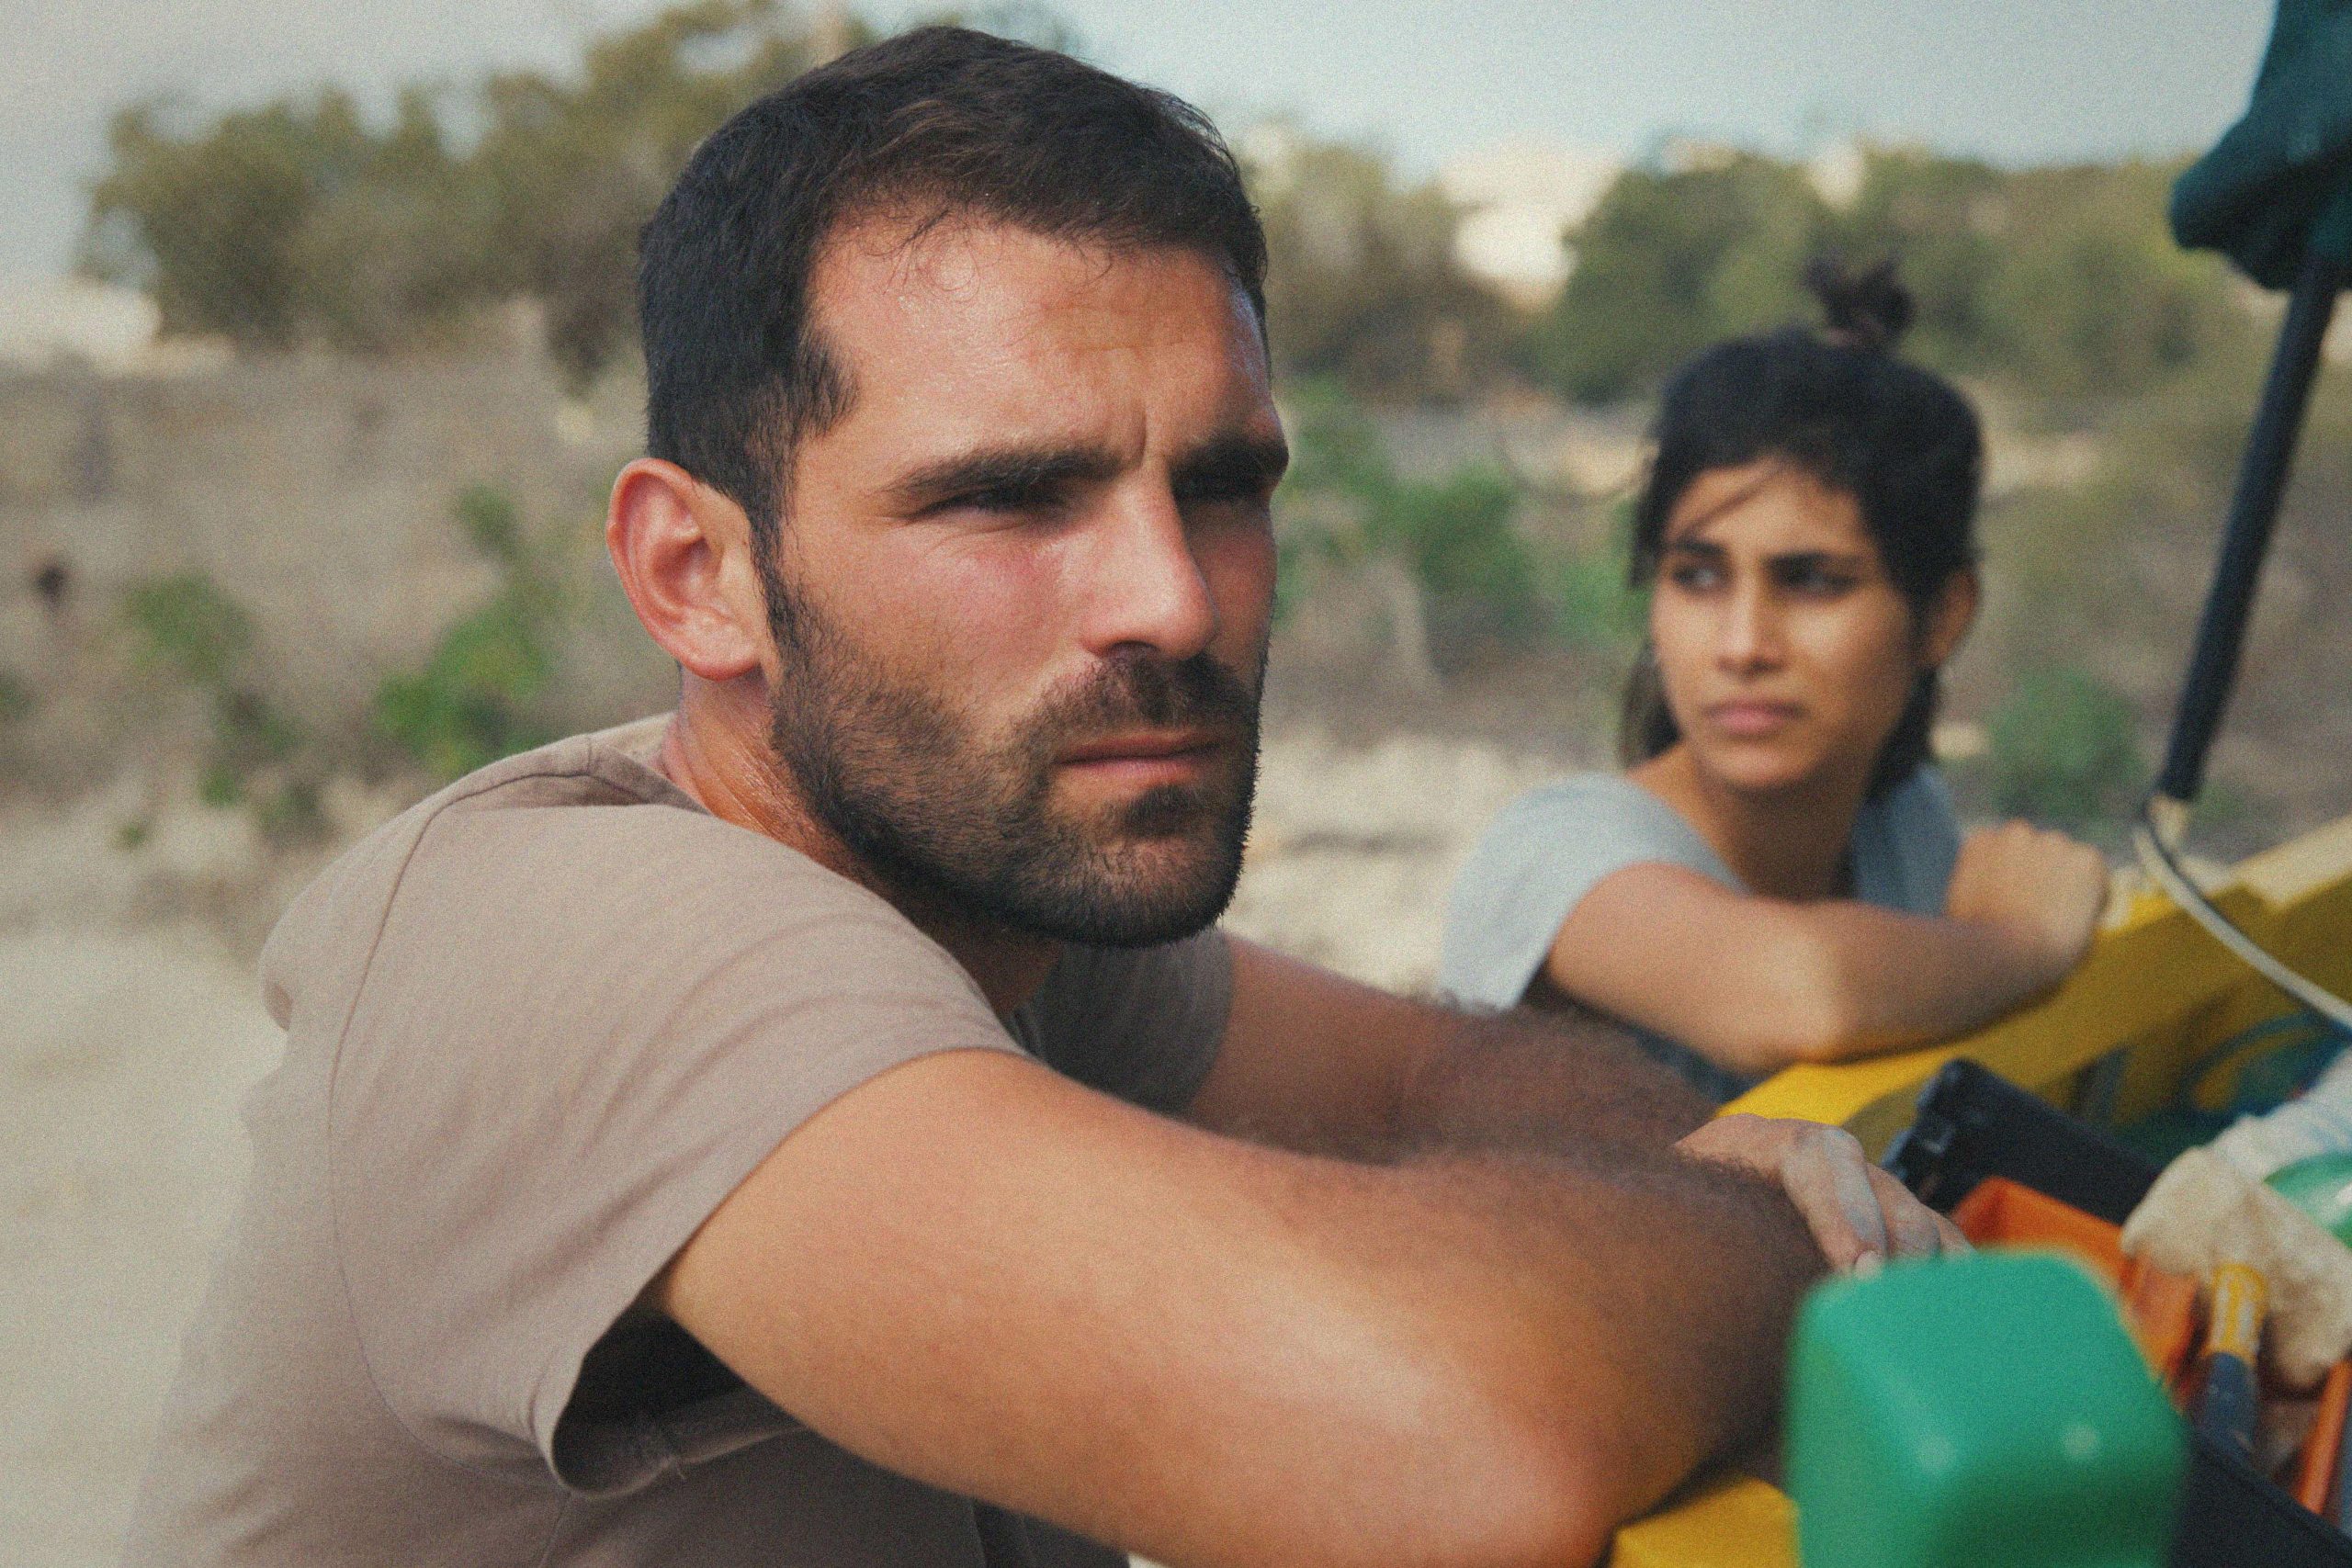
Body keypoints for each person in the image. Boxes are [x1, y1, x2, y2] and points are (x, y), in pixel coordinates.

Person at [122, 32, 1959, 1568]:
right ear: (697, 571)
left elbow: (1425, 1072)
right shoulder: (589, 949)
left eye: (1222, 484)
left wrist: (1708, 1163)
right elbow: (1458, 1416)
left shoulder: (990, 892)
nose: (1169, 598)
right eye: (1009, 497)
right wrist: (1772, 1231)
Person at [1442, 264, 2112, 1103]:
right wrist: (2025, 941)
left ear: (1943, 614)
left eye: (1813, 580)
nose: (1743, 644)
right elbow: (1804, 996)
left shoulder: (1903, 828)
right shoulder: (1557, 854)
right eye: (1697, 576)